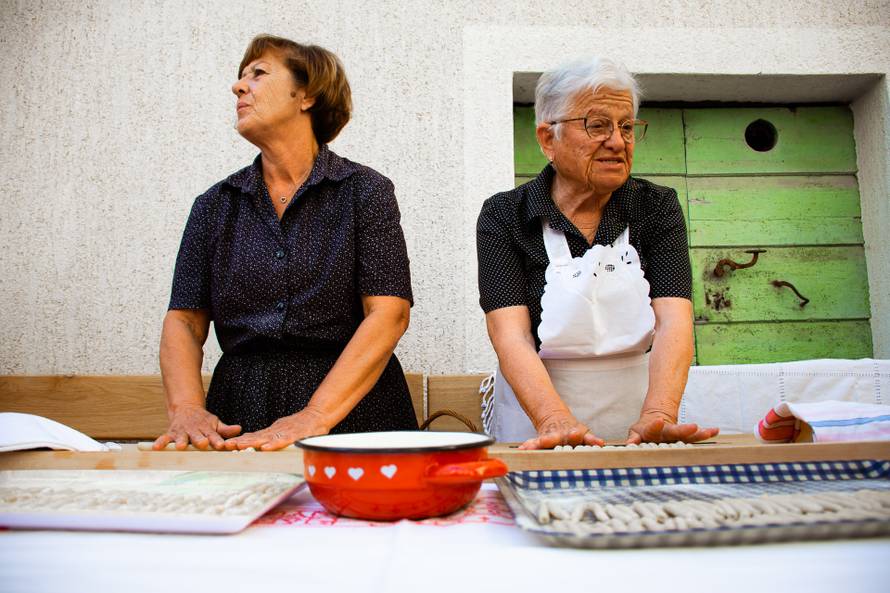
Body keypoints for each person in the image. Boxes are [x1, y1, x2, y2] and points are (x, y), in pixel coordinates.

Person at [153, 34, 417, 452]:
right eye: (241, 76)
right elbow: (184, 320)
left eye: (258, 73)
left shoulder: (365, 191)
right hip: (240, 412)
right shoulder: (214, 205)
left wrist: (316, 415)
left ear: (307, 95)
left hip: (354, 413)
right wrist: (186, 408)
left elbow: (389, 313)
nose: (238, 87)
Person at [476, 57, 718, 449]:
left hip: (639, 417)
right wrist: (553, 420)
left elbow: (674, 320)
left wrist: (660, 413)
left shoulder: (656, 207)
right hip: (536, 422)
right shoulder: (505, 215)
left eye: (627, 127)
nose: (618, 142)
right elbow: (510, 334)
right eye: (598, 125)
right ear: (548, 139)